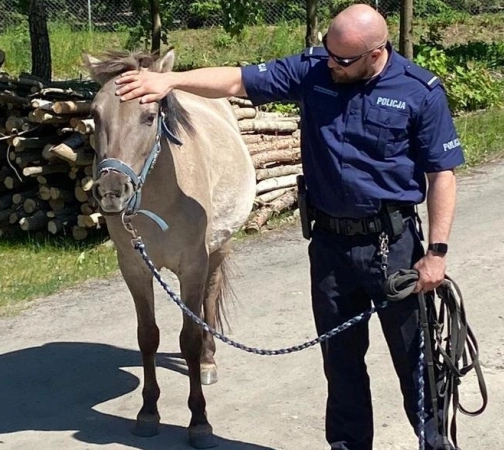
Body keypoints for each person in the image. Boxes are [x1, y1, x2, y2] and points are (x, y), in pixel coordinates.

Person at [114, 4, 465, 449]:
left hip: (393, 246)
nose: (332, 65)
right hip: (331, 247)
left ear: (377, 53)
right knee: (340, 367)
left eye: (344, 60)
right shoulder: (314, 70)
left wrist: (436, 253)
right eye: (329, 54)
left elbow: (442, 174)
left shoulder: (419, 90)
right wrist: (169, 81)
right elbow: (238, 79)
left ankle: (434, 443)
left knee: (417, 361)